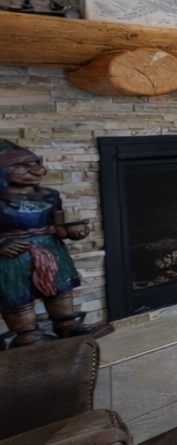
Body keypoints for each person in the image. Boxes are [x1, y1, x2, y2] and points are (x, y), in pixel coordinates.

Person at [0, 140, 111, 347]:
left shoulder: (50, 196)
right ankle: (27, 335)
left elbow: (58, 227)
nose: (37, 170)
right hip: (14, 258)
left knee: (60, 291)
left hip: (51, 249)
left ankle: (67, 325)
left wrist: (73, 232)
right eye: (23, 166)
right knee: (19, 298)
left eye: (36, 163)